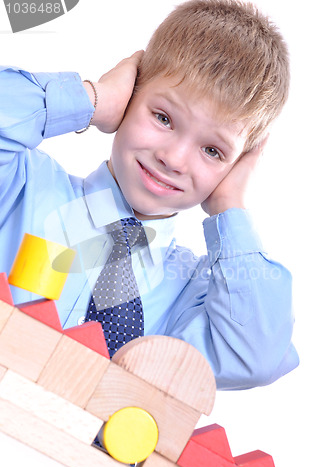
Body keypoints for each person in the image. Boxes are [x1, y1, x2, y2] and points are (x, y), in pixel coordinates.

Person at [0, 0, 299, 390]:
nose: (173, 158)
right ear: (131, 94)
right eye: (163, 118)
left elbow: (256, 356)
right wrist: (91, 100)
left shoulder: (191, 294)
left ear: (236, 166)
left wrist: (230, 207)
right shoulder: (22, 185)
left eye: (213, 150)